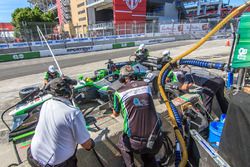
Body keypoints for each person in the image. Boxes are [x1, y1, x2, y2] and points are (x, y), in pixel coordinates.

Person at [27, 77, 95, 167]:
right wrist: (91, 143)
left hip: (33, 154)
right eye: (71, 88)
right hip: (55, 163)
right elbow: (86, 144)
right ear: (67, 92)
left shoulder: (46, 104)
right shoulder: (73, 113)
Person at [112, 65, 163, 167]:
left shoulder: (119, 93)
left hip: (136, 144)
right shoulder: (146, 86)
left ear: (122, 78)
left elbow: (115, 113)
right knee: (149, 156)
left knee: (122, 143)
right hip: (156, 140)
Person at [164, 51, 228, 114]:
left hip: (211, 83)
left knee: (206, 105)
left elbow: (184, 88)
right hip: (220, 80)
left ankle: (207, 122)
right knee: (221, 99)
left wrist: (174, 86)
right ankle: (228, 115)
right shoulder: (191, 69)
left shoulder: (187, 75)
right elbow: (190, 84)